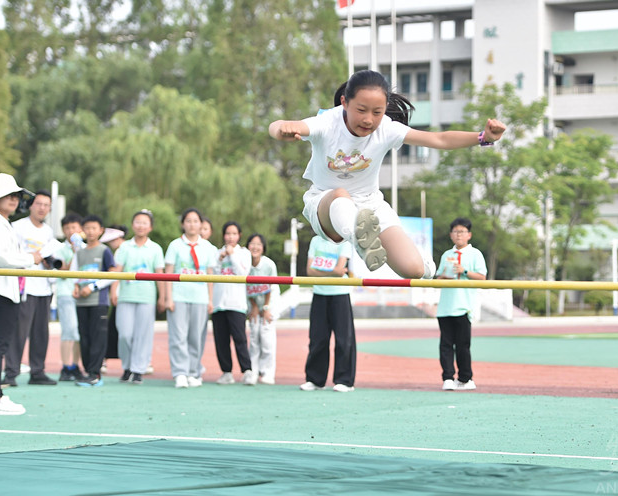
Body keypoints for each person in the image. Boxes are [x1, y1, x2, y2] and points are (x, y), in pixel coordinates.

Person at [268, 70, 505, 279]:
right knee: (340, 195)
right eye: (361, 110)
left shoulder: (387, 128)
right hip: (325, 203)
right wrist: (282, 128)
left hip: (370, 206)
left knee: (413, 270)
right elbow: (279, 125)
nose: (368, 120)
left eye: (377, 112)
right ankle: (361, 242)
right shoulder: (327, 122)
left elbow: (439, 139)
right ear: (344, 102)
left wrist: (483, 137)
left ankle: (412, 260)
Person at [0, 173, 42, 414]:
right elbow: (2, 257)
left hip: (0, 288)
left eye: (16, 195)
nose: (13, 199)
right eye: (7, 195)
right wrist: (30, 259)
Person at [4, 189, 57, 387]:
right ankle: (11, 373)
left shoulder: (48, 231)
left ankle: (38, 371)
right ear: (31, 206)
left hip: (44, 287)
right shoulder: (17, 227)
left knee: (41, 333)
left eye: (46, 205)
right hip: (24, 287)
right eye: (39, 204)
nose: (42, 208)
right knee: (18, 332)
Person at [164, 208, 217, 388]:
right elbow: (168, 273)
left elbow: (210, 275)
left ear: (201, 224)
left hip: (200, 297)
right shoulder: (175, 245)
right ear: (183, 224)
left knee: (196, 337)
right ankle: (180, 372)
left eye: (195, 221)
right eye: (188, 221)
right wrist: (168, 298)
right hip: (178, 296)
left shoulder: (208, 247)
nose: (192, 225)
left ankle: (194, 372)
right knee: (178, 336)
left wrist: (210, 299)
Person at [111, 210, 165, 385]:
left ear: (150, 227)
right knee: (125, 334)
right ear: (133, 225)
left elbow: (160, 274)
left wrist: (162, 297)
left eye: (144, 223)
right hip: (126, 296)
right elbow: (117, 271)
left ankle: (138, 370)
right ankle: (127, 366)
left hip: (147, 297)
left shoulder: (155, 249)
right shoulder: (124, 247)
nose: (141, 226)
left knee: (143, 335)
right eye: (138, 222)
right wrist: (113, 291)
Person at [435, 218, 487, 391]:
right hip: (445, 307)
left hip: (464, 306)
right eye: (455, 232)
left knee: (462, 345)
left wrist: (464, 271)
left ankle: (465, 378)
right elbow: (438, 277)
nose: (458, 235)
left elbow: (482, 277)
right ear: (451, 235)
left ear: (469, 235)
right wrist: (443, 277)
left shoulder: (475, 254)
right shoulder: (446, 255)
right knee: (445, 345)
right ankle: (448, 378)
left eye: (462, 232)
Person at [300, 235, 356, 392]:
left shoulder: (344, 241)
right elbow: (309, 271)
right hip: (319, 294)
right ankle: (315, 380)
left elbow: (340, 271)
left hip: (340, 294)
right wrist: (333, 272)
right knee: (317, 339)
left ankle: (344, 381)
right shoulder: (315, 240)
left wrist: (323, 272)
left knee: (344, 339)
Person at [72, 215, 118, 387]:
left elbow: (112, 274)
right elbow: (74, 273)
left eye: (94, 228)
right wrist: (76, 287)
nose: (90, 231)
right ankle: (87, 372)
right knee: (84, 338)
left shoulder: (105, 250)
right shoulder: (80, 252)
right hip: (81, 302)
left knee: (98, 337)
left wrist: (92, 287)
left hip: (98, 302)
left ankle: (95, 373)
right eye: (87, 228)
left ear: (101, 231)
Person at [211, 221, 254, 385]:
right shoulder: (217, 253)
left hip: (236, 304)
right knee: (221, 340)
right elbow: (213, 273)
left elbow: (243, 273)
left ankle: (247, 371)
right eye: (228, 234)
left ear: (239, 236)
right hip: (219, 303)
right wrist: (221, 258)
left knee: (240, 338)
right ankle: (226, 372)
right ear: (223, 235)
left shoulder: (244, 253)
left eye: (234, 234)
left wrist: (232, 255)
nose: (230, 237)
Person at [54, 213, 84, 381]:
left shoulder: (86, 248)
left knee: (79, 331)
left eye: (74, 227)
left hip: (83, 295)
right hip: (66, 293)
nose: (71, 231)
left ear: (80, 229)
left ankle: (75, 365)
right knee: (69, 330)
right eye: (67, 228)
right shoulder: (59, 249)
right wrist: (74, 253)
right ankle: (66, 367)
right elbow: (63, 272)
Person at [245, 233, 278, 385]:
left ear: (263, 248)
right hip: (253, 305)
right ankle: (253, 371)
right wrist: (253, 306)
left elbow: (271, 287)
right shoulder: (244, 264)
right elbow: (246, 286)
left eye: (258, 244)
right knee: (254, 338)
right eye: (252, 244)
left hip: (269, 304)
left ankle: (268, 372)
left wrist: (266, 307)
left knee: (267, 338)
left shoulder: (269, 265)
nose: (255, 247)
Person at [99, 225, 126, 373]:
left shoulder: (124, 250)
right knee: (113, 328)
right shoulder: (117, 252)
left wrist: (114, 292)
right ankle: (104, 358)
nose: (111, 244)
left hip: (126, 295)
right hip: (119, 296)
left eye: (112, 240)